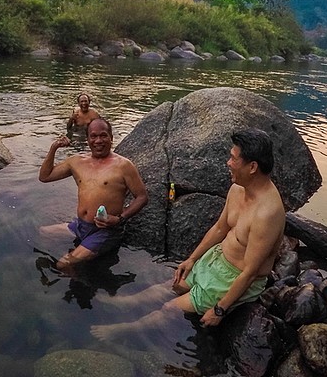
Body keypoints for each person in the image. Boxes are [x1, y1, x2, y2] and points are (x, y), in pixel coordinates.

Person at [90, 128, 285, 340]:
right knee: (173, 285)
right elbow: (220, 228)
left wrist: (220, 309)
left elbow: (250, 273)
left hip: (234, 278)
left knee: (168, 309)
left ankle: (125, 331)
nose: (228, 163)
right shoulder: (238, 188)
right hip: (216, 259)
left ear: (253, 167)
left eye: (233, 158)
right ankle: (126, 303)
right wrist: (192, 259)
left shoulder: (267, 213)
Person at [39, 117, 149, 270]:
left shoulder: (123, 165)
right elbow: (45, 177)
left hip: (106, 231)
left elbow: (142, 197)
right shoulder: (77, 161)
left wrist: (119, 219)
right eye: (94, 136)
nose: (98, 140)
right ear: (87, 139)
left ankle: (83, 275)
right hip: (80, 226)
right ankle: (80, 265)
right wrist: (54, 148)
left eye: (103, 135)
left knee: (63, 264)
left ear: (111, 138)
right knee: (43, 233)